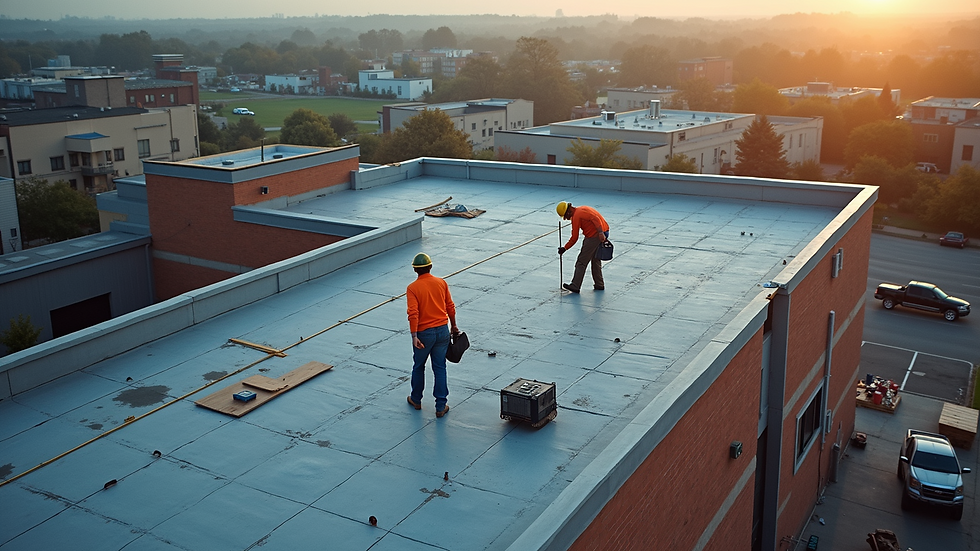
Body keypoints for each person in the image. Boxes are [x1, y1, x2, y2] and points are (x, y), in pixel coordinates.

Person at [406, 252, 459, 418]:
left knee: (419, 366)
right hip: (442, 330)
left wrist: (414, 336)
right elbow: (450, 306)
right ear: (430, 266)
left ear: (415, 270)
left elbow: (413, 313)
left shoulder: (412, 288)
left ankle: (416, 400)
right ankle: (441, 406)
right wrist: (454, 326)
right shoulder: (441, 283)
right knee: (440, 367)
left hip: (423, 334)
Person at [556, 201, 609, 293]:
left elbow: (574, 237)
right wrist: (602, 232)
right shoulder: (582, 209)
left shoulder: (577, 216)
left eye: (566, 217)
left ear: (568, 212)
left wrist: (565, 248)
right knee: (595, 259)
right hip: (604, 231)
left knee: (581, 261)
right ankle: (599, 284)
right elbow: (595, 218)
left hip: (595, 236)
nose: (567, 219)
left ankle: (575, 285)